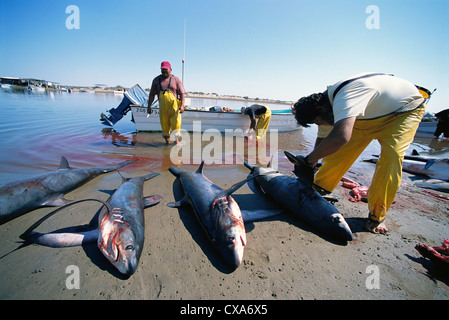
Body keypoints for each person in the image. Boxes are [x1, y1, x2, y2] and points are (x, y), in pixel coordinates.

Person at [293, 72, 427, 234]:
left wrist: (308, 160)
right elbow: (323, 139)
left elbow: (341, 136)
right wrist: (313, 161)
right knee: (339, 152)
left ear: (320, 109)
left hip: (404, 111)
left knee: (391, 158)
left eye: (317, 121)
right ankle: (319, 187)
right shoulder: (327, 105)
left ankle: (378, 216)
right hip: (370, 114)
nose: (319, 124)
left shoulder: (346, 97)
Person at [147, 61, 186, 144]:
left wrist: (182, 106)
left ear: (170, 69)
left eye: (166, 69)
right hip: (163, 109)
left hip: (174, 108)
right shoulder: (156, 80)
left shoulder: (176, 79)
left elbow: (182, 93)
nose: (164, 71)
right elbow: (152, 94)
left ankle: (176, 142)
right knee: (165, 127)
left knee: (176, 125)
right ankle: (167, 143)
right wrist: (149, 106)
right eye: (162, 69)